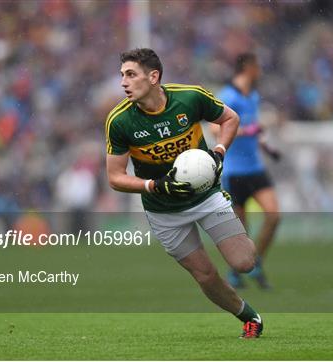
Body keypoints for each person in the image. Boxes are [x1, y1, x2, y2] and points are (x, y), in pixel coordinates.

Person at [105, 48, 263, 338]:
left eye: (131, 75)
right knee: (205, 274)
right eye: (122, 76)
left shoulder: (190, 97)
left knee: (244, 263)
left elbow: (230, 119)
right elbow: (115, 177)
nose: (124, 82)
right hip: (163, 210)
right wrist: (152, 185)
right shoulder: (120, 121)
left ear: (154, 77)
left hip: (206, 196)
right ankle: (248, 317)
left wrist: (218, 151)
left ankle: (236, 230)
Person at [217, 53, 281, 289]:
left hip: (255, 167)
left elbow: (255, 128)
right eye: (258, 67)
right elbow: (216, 129)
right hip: (234, 171)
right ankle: (237, 272)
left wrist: (266, 146)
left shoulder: (252, 96)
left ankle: (257, 262)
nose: (260, 72)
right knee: (242, 232)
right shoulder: (228, 96)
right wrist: (248, 130)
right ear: (248, 68)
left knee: (274, 215)